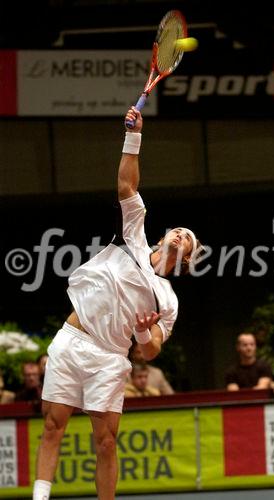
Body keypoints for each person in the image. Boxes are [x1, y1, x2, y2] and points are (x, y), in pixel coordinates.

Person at [33, 107, 201, 500]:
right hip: (74, 339)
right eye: (178, 230)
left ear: (187, 260)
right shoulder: (133, 237)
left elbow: (152, 350)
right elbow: (127, 186)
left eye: (188, 238)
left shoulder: (168, 300)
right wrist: (134, 137)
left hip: (110, 358)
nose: (180, 235)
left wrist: (143, 330)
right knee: (53, 424)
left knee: (106, 441)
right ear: (163, 237)